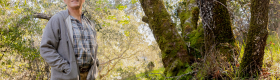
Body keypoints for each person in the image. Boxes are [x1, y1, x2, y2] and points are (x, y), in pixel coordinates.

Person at [40, 0, 99, 80]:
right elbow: (45, 48)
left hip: (89, 77)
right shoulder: (57, 19)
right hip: (66, 76)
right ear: (64, 1)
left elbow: (93, 51)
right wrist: (67, 68)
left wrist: (95, 68)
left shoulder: (90, 24)